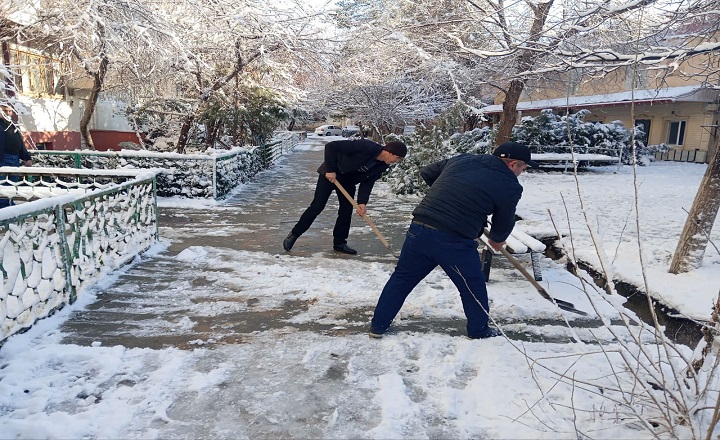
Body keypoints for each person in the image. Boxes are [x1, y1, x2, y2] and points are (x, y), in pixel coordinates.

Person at [369, 141, 537, 339]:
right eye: (523, 169)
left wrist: (450, 194)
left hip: (420, 229)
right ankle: (479, 330)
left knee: (402, 279)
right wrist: (498, 240)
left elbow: (427, 172)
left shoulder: (463, 159)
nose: (521, 173)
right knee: (472, 285)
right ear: (513, 164)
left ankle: (377, 326)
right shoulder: (510, 185)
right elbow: (504, 221)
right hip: (454, 241)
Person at [283, 138, 407, 254]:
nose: (396, 162)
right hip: (331, 175)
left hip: (348, 181)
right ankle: (294, 234)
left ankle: (339, 243)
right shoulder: (366, 146)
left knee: (346, 211)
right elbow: (331, 146)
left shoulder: (382, 165)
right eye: (396, 158)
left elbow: (367, 183)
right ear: (389, 152)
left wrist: (362, 202)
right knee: (317, 206)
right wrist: (331, 170)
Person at [0, 105, 32, 208]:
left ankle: (9, 204)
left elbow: (20, 143)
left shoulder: (11, 125)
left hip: (15, 158)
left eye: (9, 111)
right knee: (3, 185)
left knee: (12, 185)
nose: (8, 113)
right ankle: (3, 208)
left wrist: (27, 157)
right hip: (3, 158)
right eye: (5, 110)